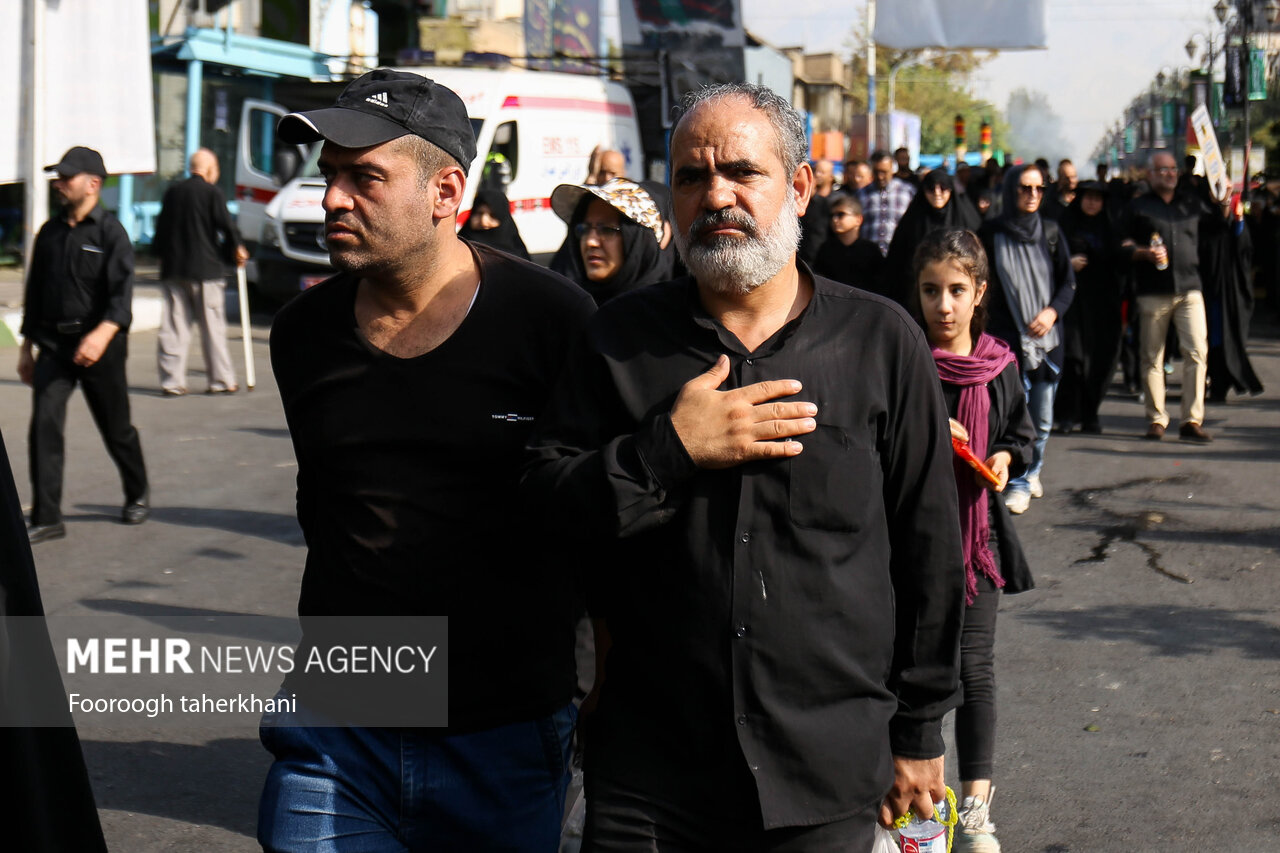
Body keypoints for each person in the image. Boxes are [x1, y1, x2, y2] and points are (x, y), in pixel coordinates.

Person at [524, 81, 965, 848]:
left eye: (740, 172)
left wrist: (921, 729)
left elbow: (930, 549)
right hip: (648, 774)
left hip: (822, 772)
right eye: (692, 177)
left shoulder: (881, 342)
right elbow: (543, 511)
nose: (715, 194)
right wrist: (668, 451)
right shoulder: (618, 341)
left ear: (797, 186)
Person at [258, 69, 596, 851]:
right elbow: (329, 501)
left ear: (447, 191)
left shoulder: (552, 321)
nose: (334, 197)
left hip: (505, 736)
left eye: (365, 176)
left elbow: (594, 517)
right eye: (330, 175)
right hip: (337, 732)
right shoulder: (302, 333)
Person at [911, 228, 1035, 853]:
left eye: (957, 290)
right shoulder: (903, 362)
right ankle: (919, 815)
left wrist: (1008, 456)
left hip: (979, 547)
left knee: (975, 673)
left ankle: (976, 813)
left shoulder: (1000, 366)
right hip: (912, 551)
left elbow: (1023, 432)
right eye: (931, 290)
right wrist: (934, 435)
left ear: (979, 292)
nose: (944, 305)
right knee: (918, 674)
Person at [17, 146, 149, 544]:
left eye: (67, 177)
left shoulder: (111, 233)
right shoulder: (50, 233)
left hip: (100, 347)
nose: (60, 183)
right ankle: (48, 516)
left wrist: (101, 334)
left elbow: (121, 294)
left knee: (116, 427)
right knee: (44, 425)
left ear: (93, 184)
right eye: (58, 177)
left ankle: (137, 491)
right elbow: (36, 291)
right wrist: (27, 347)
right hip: (54, 346)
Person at [979, 163, 1075, 515]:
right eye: (1024, 188)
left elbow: (1067, 283)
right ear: (1010, 190)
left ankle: (1034, 471)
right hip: (1007, 342)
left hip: (1048, 341)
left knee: (1043, 417)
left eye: (1039, 189)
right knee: (1014, 417)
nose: (1032, 195)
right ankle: (1017, 481)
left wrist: (1051, 312)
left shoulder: (1050, 231)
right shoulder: (991, 233)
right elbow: (981, 284)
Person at [1121, 151, 1224, 442]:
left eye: (1172, 169)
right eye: (1162, 170)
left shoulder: (1191, 202)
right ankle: (1156, 418)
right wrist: (1142, 252)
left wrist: (1225, 203)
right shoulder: (1138, 206)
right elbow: (1122, 242)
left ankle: (1191, 420)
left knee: (1196, 353)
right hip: (1153, 290)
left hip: (1190, 288)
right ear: (1150, 174)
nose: (1169, 174)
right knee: (1152, 356)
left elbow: (1216, 228)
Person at [152, 147, 246, 396]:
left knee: (174, 326)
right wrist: (237, 248)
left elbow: (161, 230)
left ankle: (171, 381)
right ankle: (221, 380)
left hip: (174, 268)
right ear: (210, 170)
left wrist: (160, 256)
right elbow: (226, 226)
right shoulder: (212, 193)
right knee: (212, 327)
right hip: (206, 270)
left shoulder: (173, 192)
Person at [1055, 180, 1126, 433]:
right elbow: (1050, 256)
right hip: (1072, 302)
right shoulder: (1065, 223)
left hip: (1103, 304)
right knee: (1072, 359)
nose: (1093, 202)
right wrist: (1068, 263)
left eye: (1098, 198)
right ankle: (1066, 415)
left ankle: (1090, 414)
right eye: (1088, 197)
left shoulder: (1110, 227)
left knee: (1099, 360)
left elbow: (1120, 261)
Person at [550, 176, 668, 305]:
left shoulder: (665, 314)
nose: (590, 242)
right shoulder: (571, 309)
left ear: (640, 243)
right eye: (584, 229)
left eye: (607, 230)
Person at [1200, 193, 1263, 401]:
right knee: (1211, 340)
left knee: (1230, 339)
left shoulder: (1237, 224)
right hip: (1210, 291)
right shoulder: (1205, 219)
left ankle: (1223, 383)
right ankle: (1212, 382)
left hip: (1231, 293)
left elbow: (1244, 251)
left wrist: (1238, 221)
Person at [885, 170, 982, 305]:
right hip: (916, 296)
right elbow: (897, 263)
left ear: (951, 190)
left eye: (943, 188)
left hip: (958, 296)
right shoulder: (911, 222)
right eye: (931, 188)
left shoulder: (966, 220)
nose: (937, 193)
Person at [813, 192, 885, 292]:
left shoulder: (870, 250)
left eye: (841, 214)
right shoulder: (826, 249)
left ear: (858, 220)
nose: (835, 219)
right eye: (832, 215)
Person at [858, 149, 917, 256]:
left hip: (899, 255)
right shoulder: (861, 194)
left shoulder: (907, 192)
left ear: (892, 169)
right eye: (876, 172)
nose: (880, 177)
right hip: (867, 256)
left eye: (884, 172)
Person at [458, 187, 530, 259]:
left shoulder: (518, 258)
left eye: (493, 216)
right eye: (479, 213)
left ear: (504, 220)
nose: (484, 222)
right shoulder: (458, 248)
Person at [798, 158, 835, 265]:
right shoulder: (795, 204)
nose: (818, 175)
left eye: (822, 172)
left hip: (821, 262)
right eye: (815, 171)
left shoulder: (827, 204)